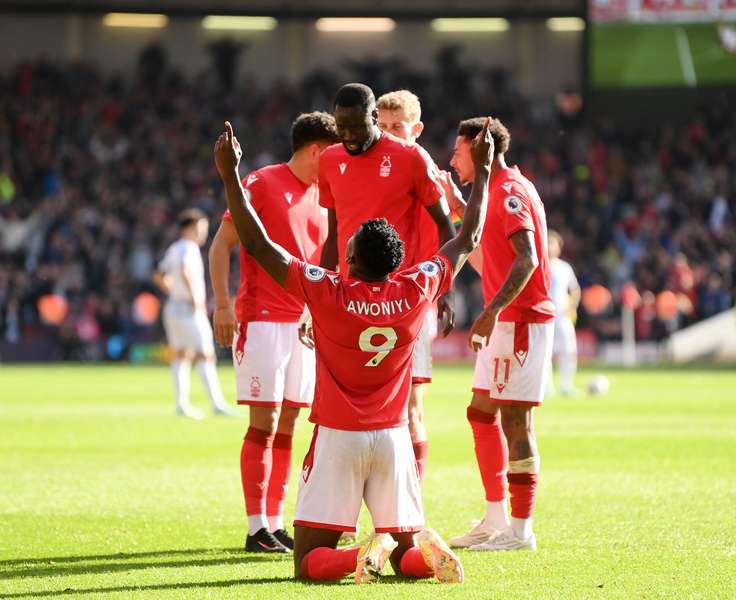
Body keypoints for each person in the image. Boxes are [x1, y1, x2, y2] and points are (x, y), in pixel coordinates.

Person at [214, 117, 494, 583]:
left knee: (308, 562)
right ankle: (422, 555)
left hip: (339, 436)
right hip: (393, 438)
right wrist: (483, 172)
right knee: (406, 551)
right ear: (397, 261)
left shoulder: (328, 291)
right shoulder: (417, 286)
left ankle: (360, 554)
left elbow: (257, 244)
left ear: (351, 259)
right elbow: (467, 237)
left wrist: (228, 176)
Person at [208, 112, 339, 553]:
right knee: (262, 424)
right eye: (333, 153)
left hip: (303, 326)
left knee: (288, 424)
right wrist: (224, 305)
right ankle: (254, 527)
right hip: (262, 319)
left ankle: (275, 522)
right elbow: (221, 245)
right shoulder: (262, 183)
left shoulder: (325, 197)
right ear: (317, 150)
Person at [446, 117, 554, 552]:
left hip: (519, 321)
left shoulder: (509, 192)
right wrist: (455, 201)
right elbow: (485, 248)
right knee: (480, 412)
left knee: (516, 420)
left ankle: (521, 531)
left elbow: (525, 259)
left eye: (458, 151)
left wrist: (492, 311)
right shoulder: (495, 190)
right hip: (505, 322)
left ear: (480, 149)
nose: (452, 159)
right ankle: (494, 519)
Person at [375, 89, 456, 481]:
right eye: (383, 126)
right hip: (365, 300)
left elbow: (454, 231)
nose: (389, 135)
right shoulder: (366, 170)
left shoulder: (432, 176)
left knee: (410, 409)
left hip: (413, 303)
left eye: (398, 127)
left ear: (417, 129)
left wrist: (445, 292)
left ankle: (411, 507)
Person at [153, 208, 230, 419]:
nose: (203, 233)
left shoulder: (174, 248)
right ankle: (217, 403)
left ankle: (182, 404)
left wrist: (174, 292)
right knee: (206, 353)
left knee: (181, 355)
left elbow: (159, 275)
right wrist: (195, 297)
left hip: (173, 307)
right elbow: (186, 271)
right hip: (188, 309)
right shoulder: (189, 248)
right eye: (201, 228)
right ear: (189, 228)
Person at [547, 230, 580, 395]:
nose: (548, 246)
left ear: (559, 248)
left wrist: (572, 307)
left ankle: (567, 385)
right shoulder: (537, 263)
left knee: (568, 349)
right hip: (544, 315)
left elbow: (575, 289)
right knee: (545, 352)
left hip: (562, 316)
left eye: (551, 243)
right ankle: (547, 387)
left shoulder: (564, 267)